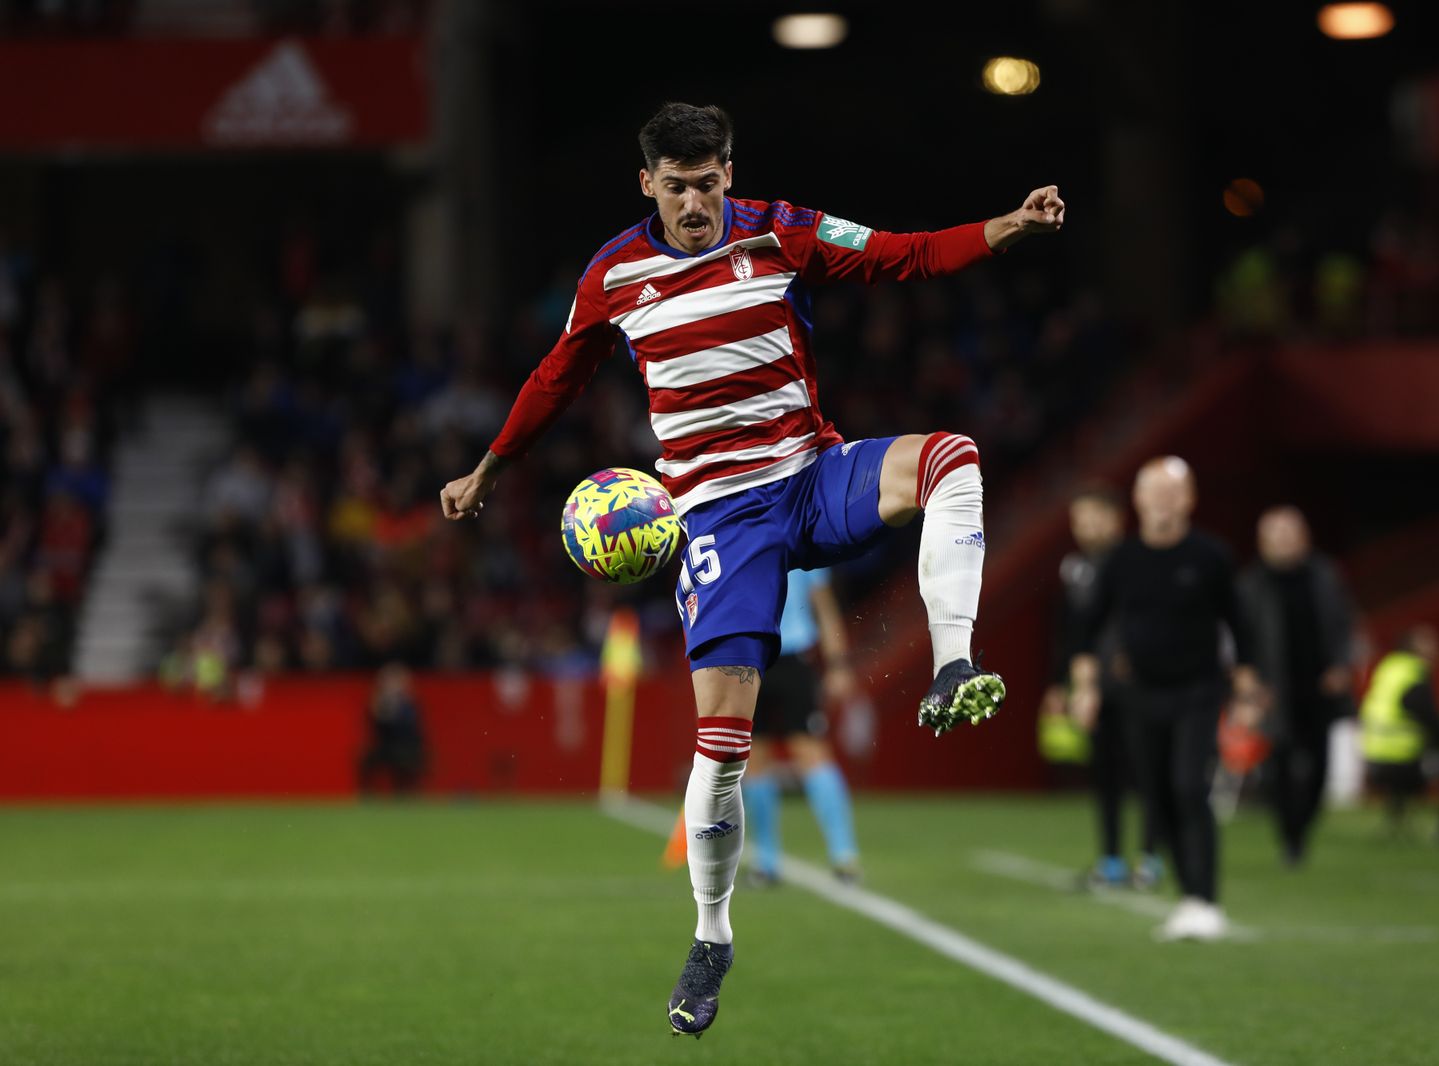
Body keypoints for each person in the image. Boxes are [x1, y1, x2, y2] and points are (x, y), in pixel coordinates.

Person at [437, 102, 1064, 1037]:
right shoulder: (614, 275)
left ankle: (953, 664)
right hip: (719, 521)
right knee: (725, 747)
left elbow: (903, 255)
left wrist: (1006, 226)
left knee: (951, 458)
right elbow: (557, 376)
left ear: (729, 173)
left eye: (708, 182)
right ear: (647, 184)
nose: (694, 203)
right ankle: (711, 935)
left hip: (810, 477)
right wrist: (488, 469)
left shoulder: (780, 231)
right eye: (676, 187)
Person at [1069, 457, 1261, 942]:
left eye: (1173, 492)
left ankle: (1207, 899)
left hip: (1198, 690)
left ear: (1190, 499)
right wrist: (1085, 688)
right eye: (1154, 491)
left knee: (1189, 786)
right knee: (1157, 796)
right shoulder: (1123, 560)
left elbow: (1240, 624)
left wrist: (1246, 690)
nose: (1163, 501)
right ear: (1138, 500)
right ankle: (1190, 896)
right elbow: (1088, 629)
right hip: (1141, 694)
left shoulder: (1210, 556)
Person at [1039, 487, 1162, 889]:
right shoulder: (1074, 567)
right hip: (1091, 682)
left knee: (1145, 769)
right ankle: (1111, 860)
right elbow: (1069, 629)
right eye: (1080, 519)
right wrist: (1059, 682)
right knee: (1105, 772)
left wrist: (1137, 657)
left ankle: (1150, 857)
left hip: (1136, 681)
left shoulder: (1137, 560)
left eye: (1094, 517)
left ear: (1116, 518)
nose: (1087, 526)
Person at [1237, 506, 1356, 867]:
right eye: (1276, 535)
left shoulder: (1325, 575)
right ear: (1262, 542)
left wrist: (1340, 665)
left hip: (1320, 687)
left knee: (1319, 765)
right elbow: (1242, 640)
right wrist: (1251, 684)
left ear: (1304, 538)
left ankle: (1303, 825)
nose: (1284, 542)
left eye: (1290, 534)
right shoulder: (1251, 585)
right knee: (1279, 765)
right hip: (1276, 691)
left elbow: (1345, 624)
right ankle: (1289, 836)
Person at [743, 567, 862, 886]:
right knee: (755, 760)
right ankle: (766, 861)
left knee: (810, 754)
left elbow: (823, 605)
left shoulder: (798, 541)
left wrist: (838, 663)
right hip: (753, 658)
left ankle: (843, 854)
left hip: (788, 657)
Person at [1360, 625, 1439, 833]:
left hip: (1372, 754)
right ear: (1414, 646)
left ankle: (1398, 816)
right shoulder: (1414, 672)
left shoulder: (1389, 666)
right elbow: (1431, 719)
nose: (1435, 646)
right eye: (1429, 642)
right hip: (1402, 756)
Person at [357, 662, 427, 795]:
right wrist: (380, 710)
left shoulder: (409, 702)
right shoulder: (378, 702)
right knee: (366, 758)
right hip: (385, 746)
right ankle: (367, 793)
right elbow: (377, 728)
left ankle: (404, 793)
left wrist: (394, 711)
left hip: (407, 747)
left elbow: (409, 728)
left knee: (403, 758)